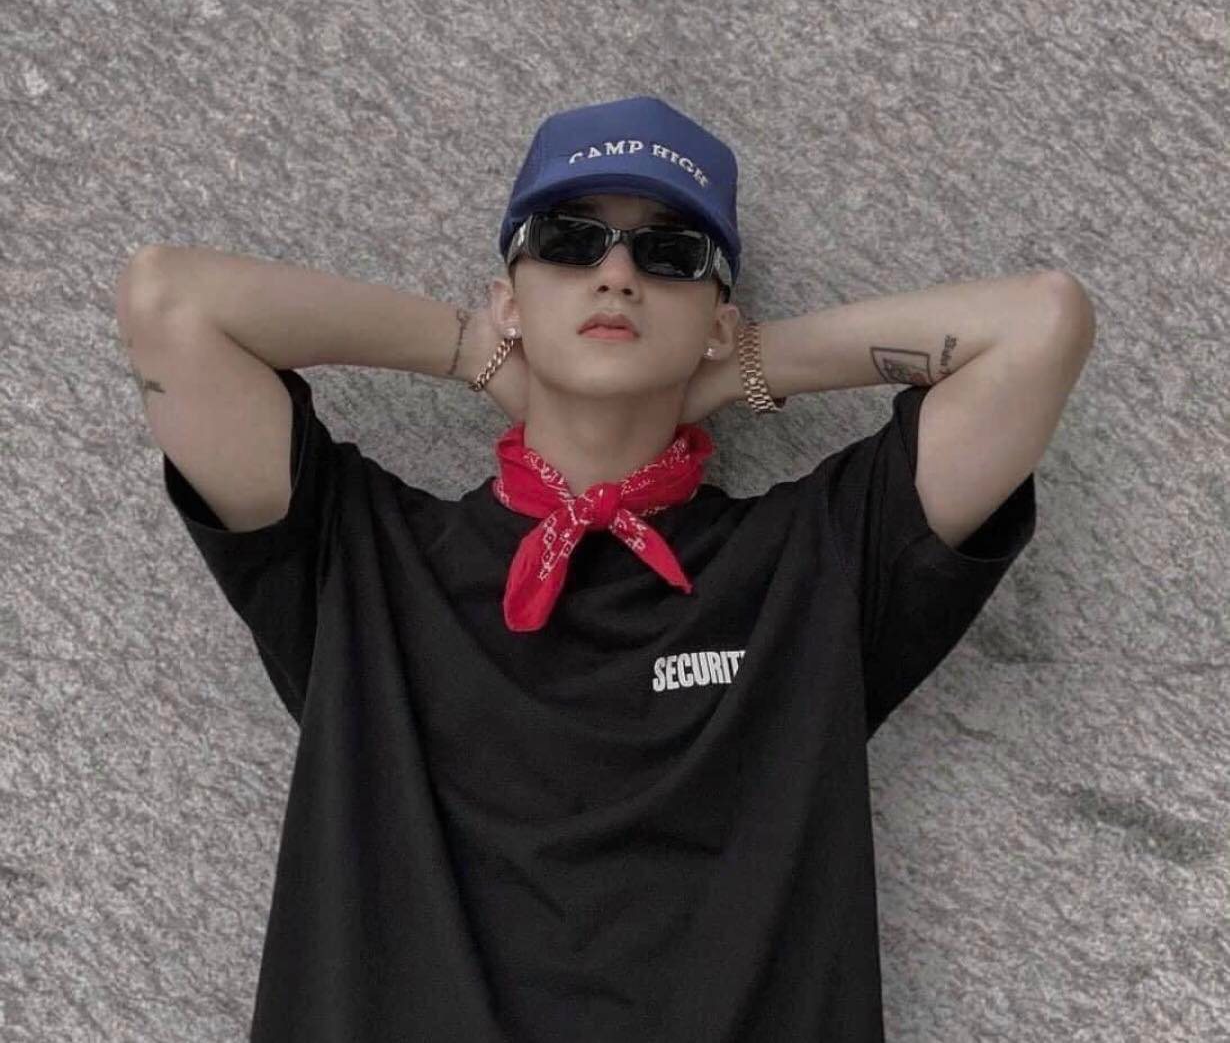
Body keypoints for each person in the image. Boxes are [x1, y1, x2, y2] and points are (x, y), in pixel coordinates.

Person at [123, 94, 1041, 1041]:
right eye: (569, 241)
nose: (616, 275)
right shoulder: (364, 559)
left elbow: (1037, 329)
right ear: (509, 299)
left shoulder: (813, 566)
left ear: (719, 317)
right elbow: (170, 302)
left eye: (671, 253)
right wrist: (471, 349)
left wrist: (740, 366)